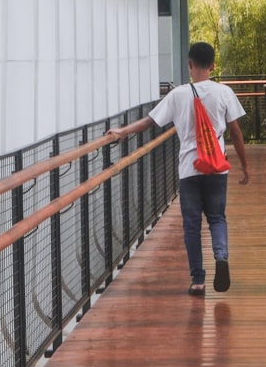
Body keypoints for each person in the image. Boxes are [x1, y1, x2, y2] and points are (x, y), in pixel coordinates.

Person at [107, 42, 250, 295]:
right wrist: (245, 167)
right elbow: (236, 133)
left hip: (189, 169)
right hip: (217, 168)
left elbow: (151, 121)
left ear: (189, 64)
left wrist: (123, 131)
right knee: (217, 218)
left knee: (191, 225)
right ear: (213, 65)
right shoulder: (224, 92)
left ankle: (197, 280)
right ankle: (221, 256)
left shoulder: (178, 95)